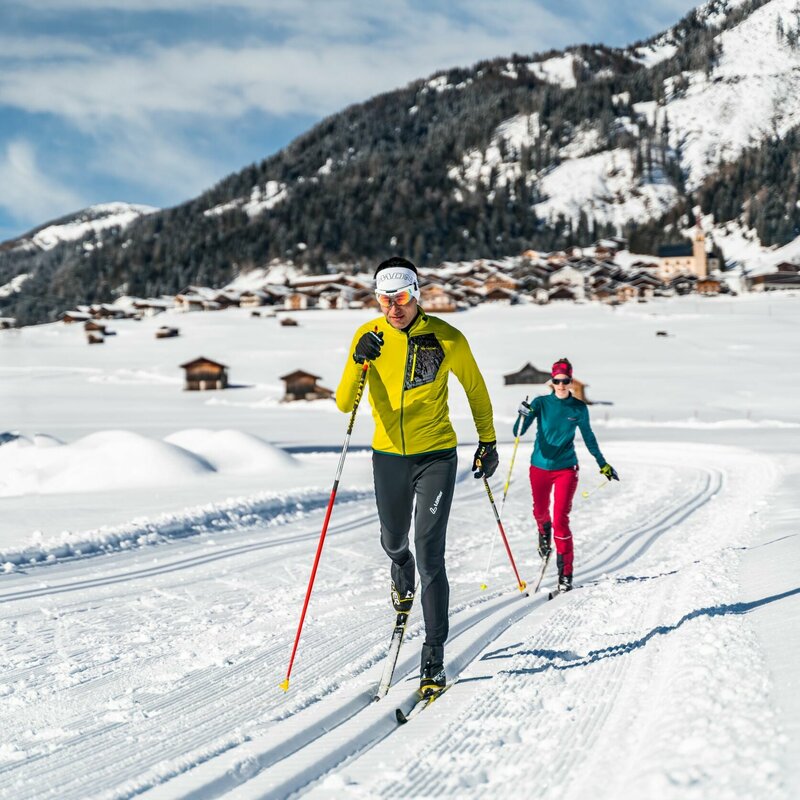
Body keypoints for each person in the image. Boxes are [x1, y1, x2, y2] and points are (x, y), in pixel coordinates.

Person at [336, 256, 498, 695]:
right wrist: (357, 360)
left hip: (436, 458)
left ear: (416, 293)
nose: (394, 307)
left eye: (402, 297)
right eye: (385, 299)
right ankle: (398, 569)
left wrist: (488, 442)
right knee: (394, 542)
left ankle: (433, 657)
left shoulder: (447, 338)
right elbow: (343, 401)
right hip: (387, 456)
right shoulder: (367, 336)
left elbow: (476, 389)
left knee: (430, 553)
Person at [513, 358, 619, 593]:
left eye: (566, 380)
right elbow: (518, 431)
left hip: (566, 469)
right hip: (539, 467)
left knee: (561, 519)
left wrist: (603, 464)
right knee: (540, 512)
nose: (561, 385)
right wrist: (522, 414)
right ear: (551, 381)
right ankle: (543, 533)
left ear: (571, 381)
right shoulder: (541, 403)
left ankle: (565, 574)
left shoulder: (578, 408)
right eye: (557, 380)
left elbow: (589, 437)